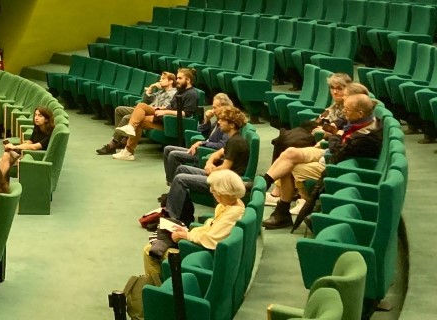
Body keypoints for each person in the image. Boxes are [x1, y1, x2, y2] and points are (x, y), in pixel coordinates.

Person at [132, 168, 247, 317]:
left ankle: (161, 296)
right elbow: (210, 228)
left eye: (214, 190)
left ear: (223, 191)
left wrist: (185, 236)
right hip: (202, 248)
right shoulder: (233, 205)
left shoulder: (232, 213)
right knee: (162, 238)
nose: (212, 192)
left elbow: (210, 240)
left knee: (150, 252)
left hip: (202, 254)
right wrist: (186, 232)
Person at [261, 92, 381, 229]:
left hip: (335, 164)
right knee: (290, 152)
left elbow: (338, 151)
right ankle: (264, 182)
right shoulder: (360, 119)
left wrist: (334, 135)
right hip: (329, 153)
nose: (343, 112)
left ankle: (282, 213)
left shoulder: (367, 136)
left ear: (360, 113)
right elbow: (341, 126)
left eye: (346, 110)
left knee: (289, 168)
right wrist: (336, 131)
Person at [162, 106, 249, 224]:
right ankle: (180, 210)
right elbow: (218, 153)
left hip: (225, 182)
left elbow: (225, 169)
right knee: (182, 168)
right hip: (220, 175)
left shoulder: (235, 142)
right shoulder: (233, 138)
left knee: (180, 179)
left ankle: (173, 217)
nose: (218, 122)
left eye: (222, 120)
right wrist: (209, 163)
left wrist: (212, 170)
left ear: (232, 125)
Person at [114, 68, 200, 160]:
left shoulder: (191, 94)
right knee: (141, 107)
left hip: (171, 122)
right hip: (165, 117)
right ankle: (129, 147)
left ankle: (129, 145)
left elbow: (185, 113)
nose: (177, 80)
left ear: (188, 80)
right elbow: (171, 106)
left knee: (139, 115)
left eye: (180, 78)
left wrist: (165, 112)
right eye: (177, 78)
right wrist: (159, 108)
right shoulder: (180, 91)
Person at [268, 72, 351, 163]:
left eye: (339, 88)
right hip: (316, 128)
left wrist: (324, 130)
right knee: (284, 137)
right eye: (332, 88)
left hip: (323, 137)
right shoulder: (336, 103)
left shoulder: (350, 106)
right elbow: (322, 116)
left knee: (289, 141)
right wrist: (317, 124)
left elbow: (342, 130)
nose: (335, 92)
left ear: (348, 89)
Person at [162, 93, 234, 184]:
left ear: (224, 107)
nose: (213, 110)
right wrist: (207, 120)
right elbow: (203, 133)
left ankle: (173, 184)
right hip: (203, 148)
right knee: (167, 149)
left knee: (173, 155)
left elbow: (222, 145)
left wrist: (202, 143)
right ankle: (171, 183)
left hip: (206, 151)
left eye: (215, 107)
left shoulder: (227, 123)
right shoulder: (219, 119)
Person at [99, 72, 176, 155]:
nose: (160, 80)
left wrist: (146, 108)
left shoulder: (173, 94)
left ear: (171, 81)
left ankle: (113, 144)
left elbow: (165, 108)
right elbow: (144, 101)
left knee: (126, 118)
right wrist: (150, 88)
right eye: (160, 78)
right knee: (119, 110)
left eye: (163, 79)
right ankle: (123, 139)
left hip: (152, 113)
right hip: (143, 110)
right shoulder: (161, 91)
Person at [0, 106, 54, 177]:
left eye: (40, 116)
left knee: (5, 159)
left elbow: (35, 147)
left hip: (36, 157)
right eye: (35, 115)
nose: (36, 118)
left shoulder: (50, 132)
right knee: (5, 156)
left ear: (46, 119)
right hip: (29, 153)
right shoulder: (38, 127)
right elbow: (30, 142)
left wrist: (14, 147)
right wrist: (16, 148)